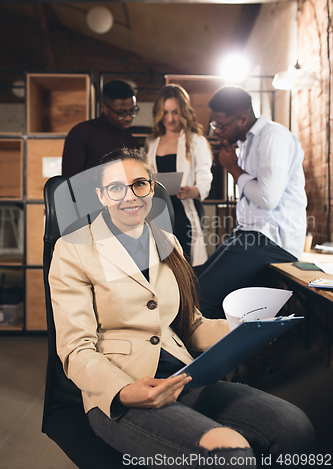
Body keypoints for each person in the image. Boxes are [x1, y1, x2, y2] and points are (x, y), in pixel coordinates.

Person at [49, 147, 314, 469]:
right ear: (102, 196)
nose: (130, 196)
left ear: (152, 186)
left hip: (184, 376)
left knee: (293, 426)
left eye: (139, 184)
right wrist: (121, 390)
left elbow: (191, 325)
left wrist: (243, 330)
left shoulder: (167, 242)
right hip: (123, 389)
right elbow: (76, 348)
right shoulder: (73, 250)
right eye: (116, 188)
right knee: (230, 455)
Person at [197, 85, 307, 319]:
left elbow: (267, 199)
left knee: (201, 297)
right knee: (195, 284)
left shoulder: (273, 137)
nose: (216, 131)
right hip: (251, 233)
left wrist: (233, 168)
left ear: (243, 119)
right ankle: (226, 351)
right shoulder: (247, 143)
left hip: (272, 238)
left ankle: (205, 356)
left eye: (220, 125)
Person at [146, 84, 213, 267]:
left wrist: (195, 191)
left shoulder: (196, 141)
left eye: (175, 112)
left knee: (185, 263)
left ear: (183, 112)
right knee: (161, 264)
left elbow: (205, 176)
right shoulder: (152, 142)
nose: (170, 118)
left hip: (185, 211)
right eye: (165, 112)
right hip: (158, 211)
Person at [62, 79, 140, 177]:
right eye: (121, 113)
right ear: (105, 108)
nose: (128, 118)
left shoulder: (130, 140)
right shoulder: (81, 133)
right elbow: (70, 180)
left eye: (132, 111)